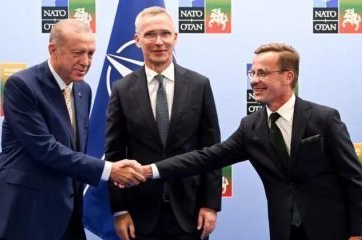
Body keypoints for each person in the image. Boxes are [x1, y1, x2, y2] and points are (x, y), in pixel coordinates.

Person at [143, 43, 362, 240]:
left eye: (263, 73)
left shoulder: (324, 119)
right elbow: (207, 157)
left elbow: (353, 179)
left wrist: (357, 232)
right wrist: (150, 170)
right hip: (284, 232)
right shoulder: (251, 127)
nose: (254, 80)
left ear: (288, 77)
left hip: (333, 231)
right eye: (253, 72)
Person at [0, 19, 145, 240]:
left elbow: (75, 150)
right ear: (53, 50)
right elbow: (46, 149)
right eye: (78, 53)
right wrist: (109, 170)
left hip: (64, 218)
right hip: (19, 218)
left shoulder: (83, 90)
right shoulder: (22, 85)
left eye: (91, 53)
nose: (86, 62)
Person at [106, 6, 222, 240]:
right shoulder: (121, 89)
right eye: (149, 35)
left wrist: (210, 204)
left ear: (175, 37)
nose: (159, 41)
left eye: (165, 34)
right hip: (140, 215)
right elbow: (114, 154)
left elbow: (212, 151)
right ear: (137, 40)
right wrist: (121, 209)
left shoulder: (199, 85)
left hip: (190, 213)